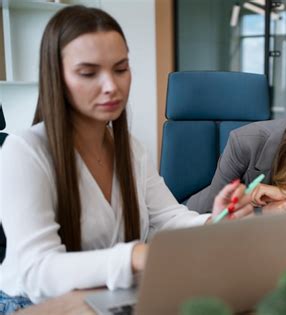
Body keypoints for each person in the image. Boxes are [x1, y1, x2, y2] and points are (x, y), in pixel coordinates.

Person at [0, 6, 252, 313]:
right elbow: (39, 271)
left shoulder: (130, 149)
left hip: (107, 297)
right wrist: (135, 256)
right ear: (57, 77)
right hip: (33, 305)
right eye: (89, 73)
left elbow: (170, 218)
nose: (111, 86)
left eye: (120, 69)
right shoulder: (23, 151)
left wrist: (217, 219)